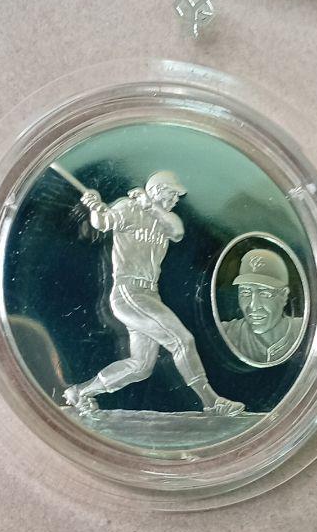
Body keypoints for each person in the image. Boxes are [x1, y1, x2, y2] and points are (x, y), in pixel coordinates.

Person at [64, 170, 245, 416]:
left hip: (149, 295)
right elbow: (103, 222)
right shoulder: (128, 207)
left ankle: (81, 392)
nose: (176, 199)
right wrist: (95, 205)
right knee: (182, 340)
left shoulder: (164, 218)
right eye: (172, 193)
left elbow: (177, 232)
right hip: (129, 292)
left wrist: (150, 206)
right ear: (158, 190)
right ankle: (211, 401)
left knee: (141, 366)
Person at [222, 248, 304, 365]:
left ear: (284, 295)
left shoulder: (306, 331)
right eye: (246, 293)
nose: (254, 306)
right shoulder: (228, 334)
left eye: (264, 293)